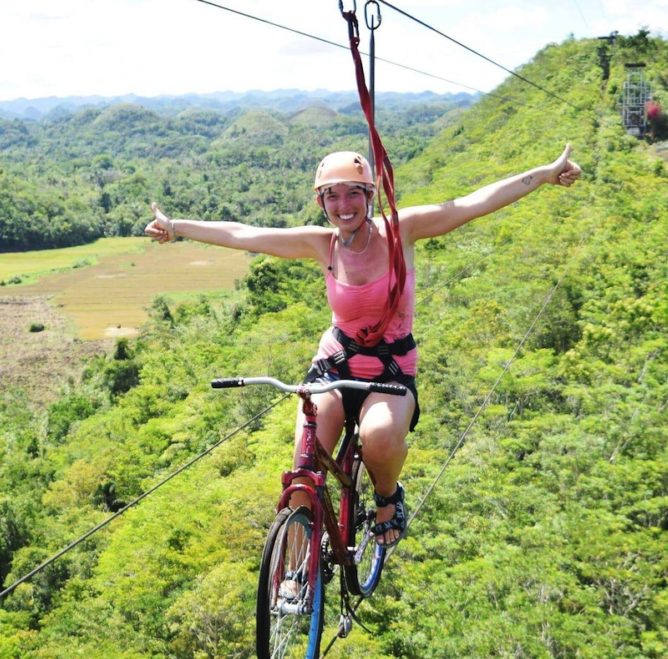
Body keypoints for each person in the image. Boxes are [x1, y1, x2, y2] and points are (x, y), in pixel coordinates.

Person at [145, 144, 581, 546]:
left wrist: (543, 175)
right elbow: (244, 234)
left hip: (390, 368)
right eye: (331, 196)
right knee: (304, 466)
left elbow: (470, 204)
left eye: (353, 193)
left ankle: (388, 496)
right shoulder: (322, 244)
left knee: (378, 438)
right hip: (336, 364)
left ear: (370, 194)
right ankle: (296, 571)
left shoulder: (401, 230)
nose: (343, 206)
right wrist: (176, 227)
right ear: (321, 202)